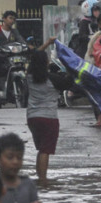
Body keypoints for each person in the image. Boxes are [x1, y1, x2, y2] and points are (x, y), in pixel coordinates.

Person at [25, 43, 72, 181]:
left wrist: (46, 43)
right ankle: (43, 180)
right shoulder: (53, 79)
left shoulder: (29, 77)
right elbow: (69, 82)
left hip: (32, 117)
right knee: (45, 150)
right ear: (46, 62)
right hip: (48, 118)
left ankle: (40, 178)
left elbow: (35, 57)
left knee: (41, 149)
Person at [0, 10, 27, 98]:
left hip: (11, 58)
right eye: (10, 18)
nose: (12, 21)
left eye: (14, 19)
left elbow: (21, 40)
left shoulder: (14, 31)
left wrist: (25, 45)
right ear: (4, 19)